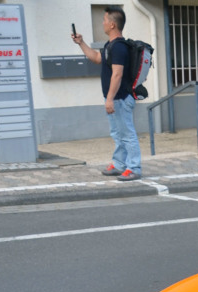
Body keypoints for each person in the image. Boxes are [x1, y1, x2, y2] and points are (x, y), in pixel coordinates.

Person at [71, 7, 141, 180]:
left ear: (112, 24)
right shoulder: (110, 46)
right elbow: (96, 58)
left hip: (120, 99)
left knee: (127, 135)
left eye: (104, 20)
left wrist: (109, 99)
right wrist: (81, 42)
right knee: (118, 134)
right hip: (114, 99)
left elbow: (117, 74)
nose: (102, 23)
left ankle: (134, 168)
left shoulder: (119, 48)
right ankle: (119, 164)